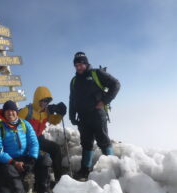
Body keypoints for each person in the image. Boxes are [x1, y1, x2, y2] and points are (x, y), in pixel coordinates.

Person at [0, 100, 50, 193]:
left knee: (45, 158)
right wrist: (14, 162)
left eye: (13, 110)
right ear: (3, 113)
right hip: (11, 160)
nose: (10, 113)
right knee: (9, 171)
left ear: (17, 112)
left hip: (27, 157)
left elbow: (34, 142)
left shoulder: (25, 124)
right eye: (7, 111)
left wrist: (31, 160)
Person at [69, 52, 121, 181]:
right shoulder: (74, 80)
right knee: (86, 144)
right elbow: (72, 99)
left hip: (97, 115)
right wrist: (72, 115)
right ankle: (85, 171)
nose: (78, 67)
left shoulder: (96, 74)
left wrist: (104, 101)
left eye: (81, 64)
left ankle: (112, 170)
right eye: (76, 65)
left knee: (103, 141)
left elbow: (116, 84)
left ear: (86, 63)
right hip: (83, 117)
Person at [18, 86, 67, 182]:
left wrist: (61, 114)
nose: (45, 103)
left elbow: (54, 121)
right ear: (37, 99)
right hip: (26, 140)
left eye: (47, 101)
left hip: (39, 138)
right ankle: (25, 180)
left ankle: (59, 179)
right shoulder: (26, 111)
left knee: (56, 148)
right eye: (43, 100)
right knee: (32, 156)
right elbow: (15, 124)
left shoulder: (46, 112)